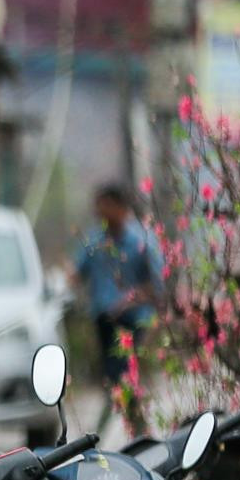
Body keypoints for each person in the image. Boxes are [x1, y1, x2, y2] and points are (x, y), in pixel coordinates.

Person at [72, 182, 164, 436]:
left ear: (120, 207)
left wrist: (132, 299)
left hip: (131, 320)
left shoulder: (140, 240)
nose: (99, 211)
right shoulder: (96, 240)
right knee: (117, 377)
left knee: (120, 375)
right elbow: (77, 273)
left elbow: (156, 282)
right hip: (104, 320)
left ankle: (104, 433)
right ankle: (137, 430)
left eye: (105, 205)